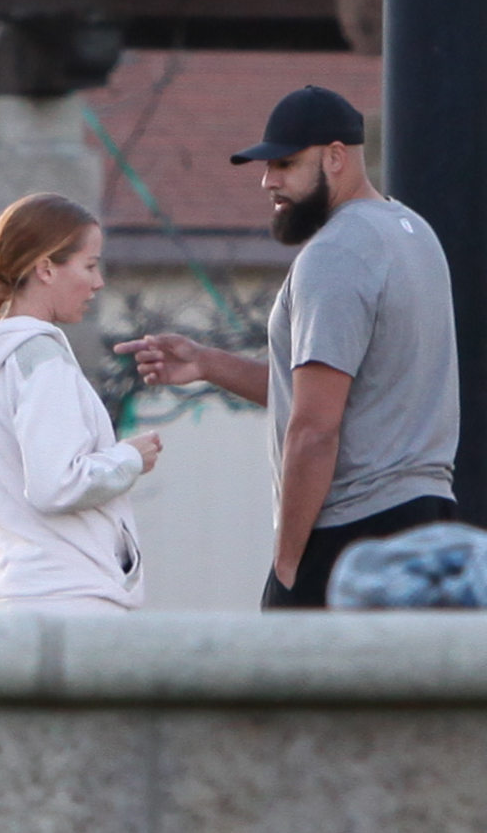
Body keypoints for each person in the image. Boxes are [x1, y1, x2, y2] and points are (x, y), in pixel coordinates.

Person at [116, 85, 459, 608]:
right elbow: (335, 392)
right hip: (428, 527)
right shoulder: (413, 233)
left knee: (301, 689)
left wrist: (288, 563)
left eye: (286, 164)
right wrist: (207, 362)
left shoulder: (337, 252)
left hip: (353, 536)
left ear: (336, 157)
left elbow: (315, 428)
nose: (267, 181)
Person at [0, 192, 162, 615]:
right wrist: (128, 457)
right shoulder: (41, 360)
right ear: (46, 269)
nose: (99, 282)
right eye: (90, 265)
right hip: (74, 598)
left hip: (24, 593)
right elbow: (55, 483)